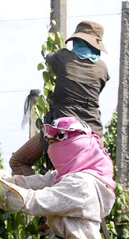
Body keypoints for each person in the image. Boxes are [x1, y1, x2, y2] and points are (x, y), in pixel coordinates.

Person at [10, 21, 110, 176]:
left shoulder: (63, 57)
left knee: (17, 162)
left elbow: (48, 58)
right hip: (93, 133)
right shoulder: (102, 69)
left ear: (77, 41)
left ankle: (45, 194)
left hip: (62, 131)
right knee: (100, 179)